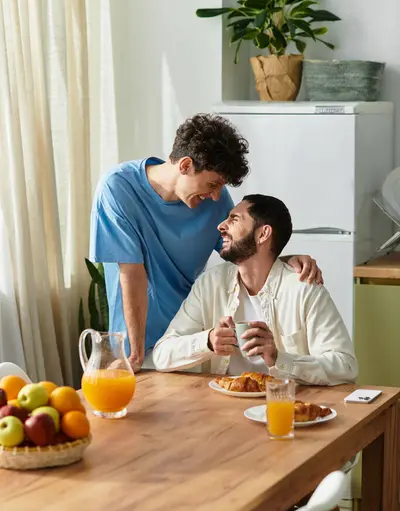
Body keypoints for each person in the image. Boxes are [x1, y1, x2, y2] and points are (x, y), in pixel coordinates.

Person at [90, 114, 323, 372]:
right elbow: (132, 274)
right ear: (186, 165)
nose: (215, 195)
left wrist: (285, 260)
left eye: (219, 187)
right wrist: (133, 353)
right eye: (212, 184)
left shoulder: (215, 200)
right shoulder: (118, 189)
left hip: (187, 348)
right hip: (133, 349)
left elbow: (244, 253)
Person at [153, 195, 358, 385]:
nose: (221, 226)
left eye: (234, 219)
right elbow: (162, 355)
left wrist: (279, 358)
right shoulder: (210, 283)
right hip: (220, 407)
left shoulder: (303, 289)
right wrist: (207, 341)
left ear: (263, 234)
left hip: (283, 407)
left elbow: (345, 366)